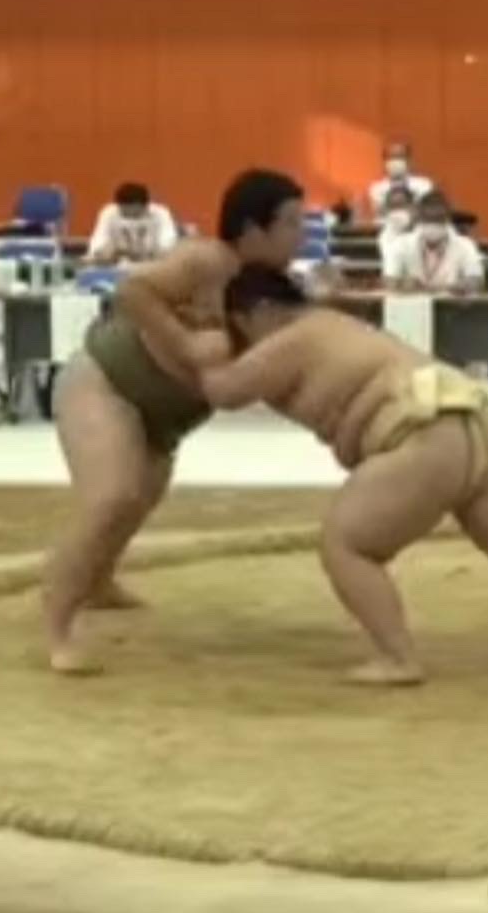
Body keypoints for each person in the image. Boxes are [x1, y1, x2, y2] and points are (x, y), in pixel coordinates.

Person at [195, 266, 488, 685]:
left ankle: (398, 658)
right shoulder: (338, 326)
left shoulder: (293, 337)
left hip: (424, 435)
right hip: (472, 421)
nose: (240, 340)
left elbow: (222, 390)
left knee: (346, 545)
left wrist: (189, 337)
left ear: (260, 311)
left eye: (237, 326)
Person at [41, 167, 305, 674]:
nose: (302, 235)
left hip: (167, 417)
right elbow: (132, 291)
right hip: (107, 384)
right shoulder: (206, 259)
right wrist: (184, 343)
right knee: (112, 499)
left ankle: (98, 582)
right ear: (253, 229)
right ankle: (58, 626)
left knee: (136, 504)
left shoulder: (275, 291)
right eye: (292, 223)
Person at [380, 189, 484, 294]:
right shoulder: (400, 244)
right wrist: (401, 283)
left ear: (447, 219)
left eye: (438, 219)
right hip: (410, 302)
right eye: (428, 219)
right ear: (419, 219)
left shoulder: (465, 245)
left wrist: (466, 284)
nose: (433, 224)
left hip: (450, 302)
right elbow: (388, 280)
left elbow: (476, 280)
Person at [86, 182, 178, 265]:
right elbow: (99, 241)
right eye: (126, 214)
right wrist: (102, 253)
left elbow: (168, 245)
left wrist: (158, 254)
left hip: (152, 265)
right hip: (118, 263)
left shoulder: (161, 213)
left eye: (136, 215)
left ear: (145, 206)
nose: (131, 221)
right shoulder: (109, 213)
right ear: (118, 206)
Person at [367, 141, 432, 222]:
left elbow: (424, 209)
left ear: (409, 160)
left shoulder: (424, 185)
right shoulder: (376, 188)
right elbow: (380, 212)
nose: (395, 161)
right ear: (384, 161)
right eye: (390, 157)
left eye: (400, 157)